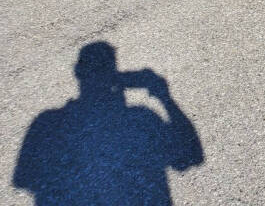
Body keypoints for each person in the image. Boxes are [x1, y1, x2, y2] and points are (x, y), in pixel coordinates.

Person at [13, 42, 203, 205]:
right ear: (116, 74)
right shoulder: (143, 118)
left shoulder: (47, 123)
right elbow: (190, 156)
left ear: (77, 72)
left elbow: (24, 179)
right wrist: (165, 97)